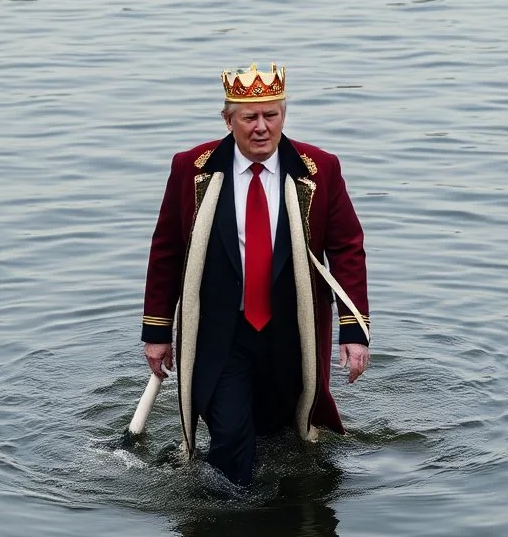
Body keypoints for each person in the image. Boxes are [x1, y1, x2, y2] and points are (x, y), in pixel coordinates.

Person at [141, 63, 370, 485]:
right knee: (229, 445)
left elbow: (347, 248)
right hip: (223, 335)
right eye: (250, 117)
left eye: (272, 115)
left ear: (284, 115)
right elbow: (167, 251)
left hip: (293, 333)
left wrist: (353, 332)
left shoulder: (320, 168)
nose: (262, 127)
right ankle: (228, 528)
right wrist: (157, 332)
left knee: (285, 434)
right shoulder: (192, 168)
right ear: (229, 121)